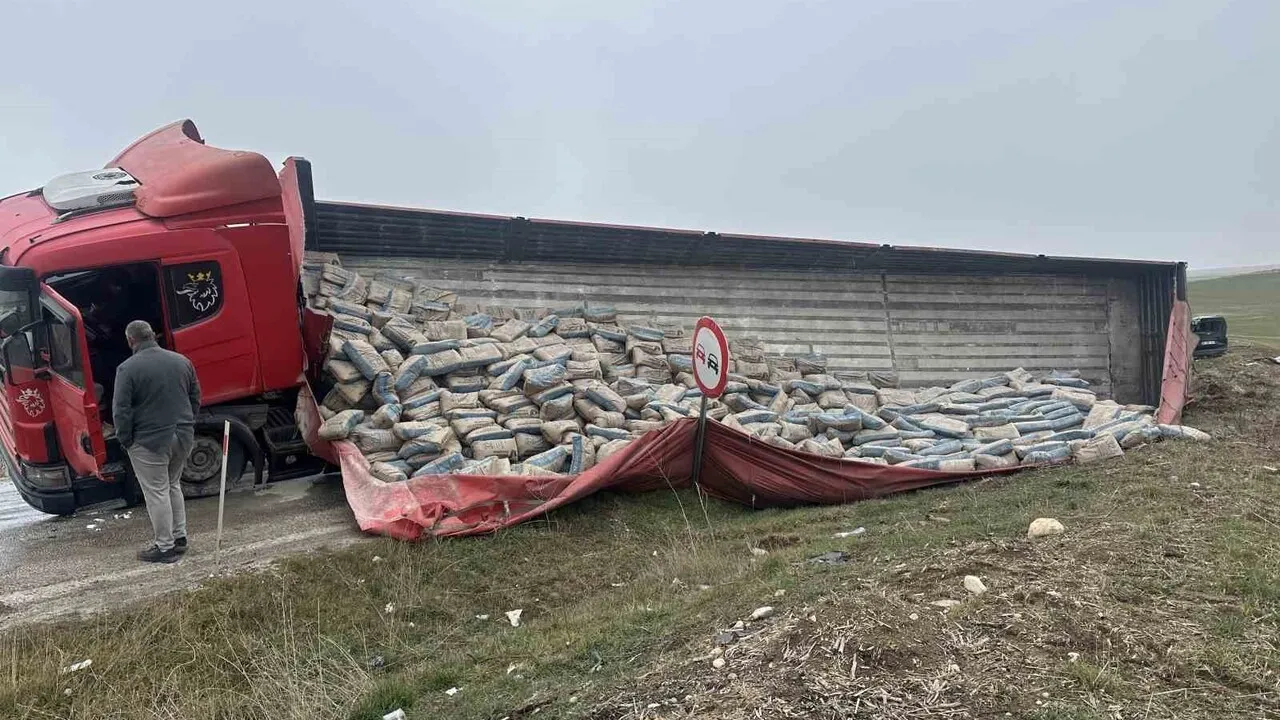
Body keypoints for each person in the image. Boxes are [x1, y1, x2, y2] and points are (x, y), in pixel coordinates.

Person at [112, 320, 201, 563]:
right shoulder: (182, 361)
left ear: (131, 341)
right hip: (183, 435)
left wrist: (126, 439)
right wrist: (188, 422)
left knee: (157, 492)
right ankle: (180, 538)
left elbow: (121, 410)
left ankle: (165, 548)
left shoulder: (127, 369)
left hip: (149, 441)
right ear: (153, 335)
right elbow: (195, 397)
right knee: (173, 485)